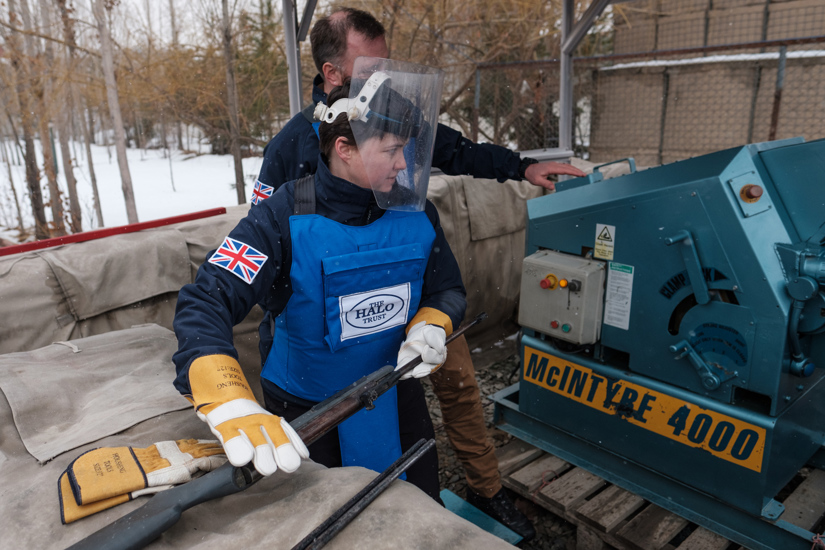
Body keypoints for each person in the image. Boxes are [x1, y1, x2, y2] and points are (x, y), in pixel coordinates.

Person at [253, 8, 585, 540]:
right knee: (330, 435)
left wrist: (520, 166)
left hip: (409, 296)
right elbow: (262, 245)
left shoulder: (396, 114)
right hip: (325, 319)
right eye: (371, 66)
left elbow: (452, 148)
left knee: (453, 381)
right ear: (334, 74)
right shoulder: (289, 148)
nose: (402, 162)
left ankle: (486, 488)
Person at [172, 64, 465, 504]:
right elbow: (206, 299)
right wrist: (226, 394)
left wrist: (432, 324)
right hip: (308, 414)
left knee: (420, 512)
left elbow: (448, 288)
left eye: (407, 149)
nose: (404, 164)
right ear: (344, 148)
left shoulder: (417, 213)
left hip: (395, 398)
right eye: (391, 150)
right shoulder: (281, 217)